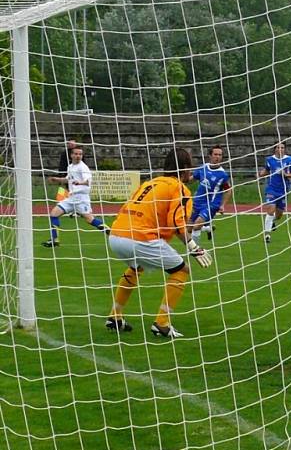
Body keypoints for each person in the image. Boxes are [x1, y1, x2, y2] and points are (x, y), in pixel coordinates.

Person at [106, 148, 213, 338]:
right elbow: (177, 222)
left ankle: (115, 316)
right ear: (186, 168)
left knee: (136, 267)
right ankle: (162, 323)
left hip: (116, 235)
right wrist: (193, 247)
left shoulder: (149, 183)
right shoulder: (179, 188)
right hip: (139, 238)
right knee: (181, 270)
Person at [42, 145, 110, 247]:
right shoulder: (70, 166)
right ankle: (54, 239)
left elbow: (88, 181)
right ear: (71, 155)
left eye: (80, 154)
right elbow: (68, 179)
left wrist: (80, 183)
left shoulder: (83, 167)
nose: (78, 156)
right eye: (76, 154)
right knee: (54, 213)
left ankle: (111, 232)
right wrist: (57, 179)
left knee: (89, 219)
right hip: (71, 197)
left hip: (81, 198)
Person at [189, 146, 232, 243]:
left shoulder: (222, 174)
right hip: (197, 202)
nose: (218, 157)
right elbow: (191, 179)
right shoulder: (203, 168)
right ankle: (208, 228)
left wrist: (222, 205)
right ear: (210, 156)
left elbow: (229, 190)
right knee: (188, 228)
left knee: (196, 226)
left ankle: (196, 251)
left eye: (220, 155)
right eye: (215, 154)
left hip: (211, 204)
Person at [259, 142, 291, 243]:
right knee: (271, 209)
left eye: (282, 147)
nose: (280, 149)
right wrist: (261, 174)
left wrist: (285, 174)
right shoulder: (269, 160)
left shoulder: (289, 160)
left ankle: (272, 221)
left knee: (279, 215)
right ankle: (267, 235)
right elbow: (267, 170)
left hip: (283, 190)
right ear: (275, 149)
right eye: (278, 147)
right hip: (271, 189)